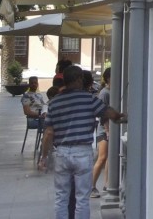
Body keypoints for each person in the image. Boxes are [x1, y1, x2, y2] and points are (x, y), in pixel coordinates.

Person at [39, 65, 126, 219]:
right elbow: (110, 113)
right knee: (82, 199)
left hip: (62, 153)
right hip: (82, 153)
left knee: (61, 197)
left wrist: (44, 157)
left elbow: (49, 133)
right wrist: (120, 116)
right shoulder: (89, 99)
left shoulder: (54, 103)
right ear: (79, 79)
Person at [90, 68, 111, 198]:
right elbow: (102, 113)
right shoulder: (104, 93)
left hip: (109, 130)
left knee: (109, 158)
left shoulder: (112, 91)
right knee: (102, 157)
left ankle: (107, 184)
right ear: (108, 78)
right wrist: (107, 130)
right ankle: (91, 186)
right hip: (104, 131)